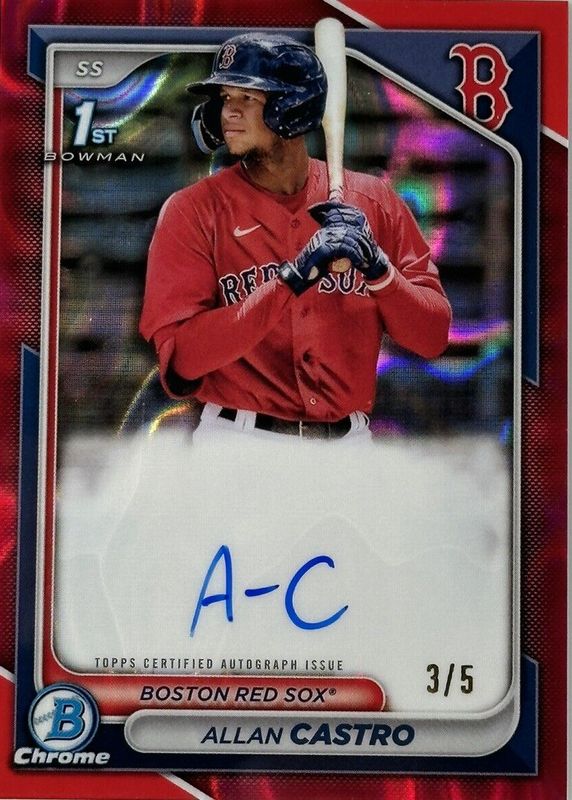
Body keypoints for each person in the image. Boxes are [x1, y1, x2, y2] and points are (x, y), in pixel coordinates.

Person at [139, 33, 451, 441]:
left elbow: (432, 338)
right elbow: (182, 362)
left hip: (347, 448)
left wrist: (379, 270)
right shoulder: (192, 211)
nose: (229, 111)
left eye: (247, 98)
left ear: (293, 106)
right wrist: (293, 278)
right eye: (225, 98)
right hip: (239, 442)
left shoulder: (374, 202)